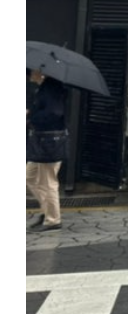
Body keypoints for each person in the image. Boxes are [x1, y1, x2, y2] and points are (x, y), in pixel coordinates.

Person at [27, 69, 69, 232]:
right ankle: (47, 211)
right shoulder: (45, 87)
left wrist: (30, 118)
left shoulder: (52, 88)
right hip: (41, 142)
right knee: (29, 177)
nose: (29, 73)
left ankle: (53, 220)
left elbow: (54, 112)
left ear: (41, 71)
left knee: (48, 182)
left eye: (31, 71)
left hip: (49, 142)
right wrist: (30, 113)